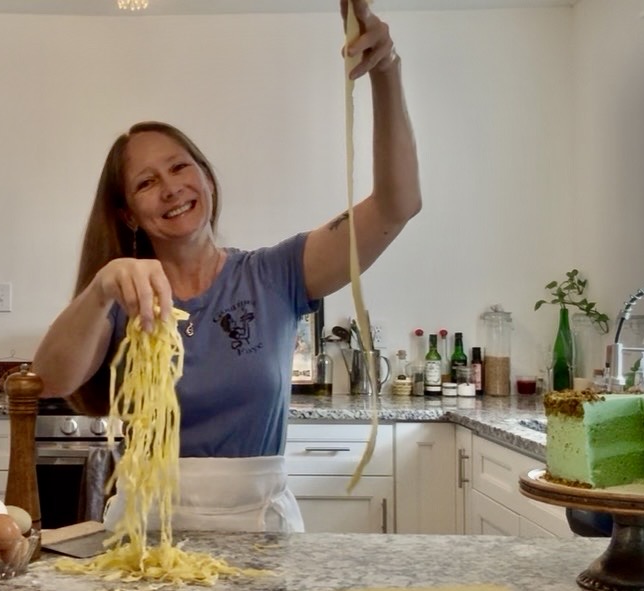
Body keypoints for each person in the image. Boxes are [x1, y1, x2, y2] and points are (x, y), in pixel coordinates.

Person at [31, 0, 420, 534]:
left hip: (260, 530)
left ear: (207, 179)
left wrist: (386, 71)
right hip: (147, 534)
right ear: (128, 213)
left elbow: (398, 205)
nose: (170, 188)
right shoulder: (124, 295)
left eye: (179, 167)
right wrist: (101, 289)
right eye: (146, 183)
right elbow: (48, 379)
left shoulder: (276, 274)